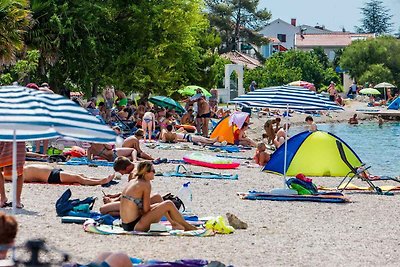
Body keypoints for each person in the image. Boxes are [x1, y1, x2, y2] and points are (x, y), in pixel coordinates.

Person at [119, 161, 197, 232]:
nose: (154, 173)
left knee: (157, 197)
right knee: (168, 204)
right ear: (146, 172)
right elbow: (146, 210)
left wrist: (158, 206)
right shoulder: (145, 184)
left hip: (126, 224)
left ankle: (173, 223)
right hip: (136, 226)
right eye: (153, 171)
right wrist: (159, 206)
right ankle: (187, 226)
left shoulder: (133, 181)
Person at [3, 164, 115, 186]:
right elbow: (3, 176)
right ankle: (101, 181)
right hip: (50, 176)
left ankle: (100, 179)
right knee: (78, 178)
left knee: (79, 175)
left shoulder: (18, 167)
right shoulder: (13, 173)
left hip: (52, 171)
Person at [0, 142, 25, 208]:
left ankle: (17, 200)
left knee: (19, 169)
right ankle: (2, 197)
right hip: (2, 135)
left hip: (18, 137)